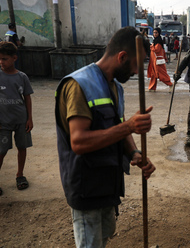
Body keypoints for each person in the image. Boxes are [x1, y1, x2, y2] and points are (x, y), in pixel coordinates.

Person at [55, 26, 156, 247]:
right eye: (137, 65)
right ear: (122, 57)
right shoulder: (79, 85)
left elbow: (116, 125)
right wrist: (129, 126)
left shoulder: (114, 87)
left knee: (104, 236)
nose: (138, 72)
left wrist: (135, 153)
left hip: (106, 183)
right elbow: (79, 142)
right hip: (86, 186)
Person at [0, 41, 33, 196]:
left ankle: (20, 175)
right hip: (3, 122)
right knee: (1, 151)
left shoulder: (22, 77)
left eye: (4, 59)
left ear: (14, 58)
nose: (1, 62)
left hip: (21, 120)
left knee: (22, 147)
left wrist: (29, 118)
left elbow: (27, 98)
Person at [147, 27, 173, 92]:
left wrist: (151, 46)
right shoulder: (156, 41)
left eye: (156, 33)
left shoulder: (158, 42)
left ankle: (170, 84)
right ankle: (152, 87)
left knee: (161, 75)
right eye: (154, 32)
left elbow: (156, 50)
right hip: (154, 61)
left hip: (157, 62)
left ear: (159, 33)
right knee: (153, 74)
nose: (154, 34)